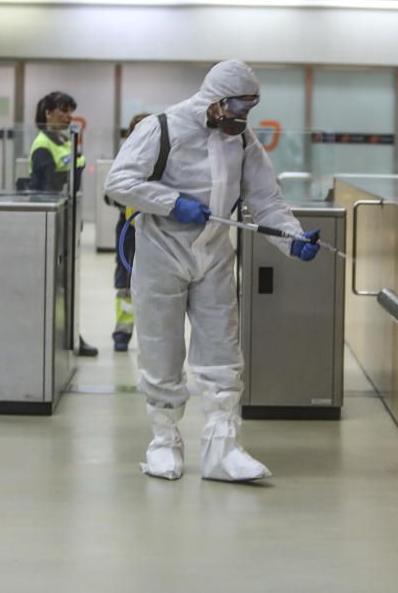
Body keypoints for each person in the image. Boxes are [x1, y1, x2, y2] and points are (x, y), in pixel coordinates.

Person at [104, 60, 320, 482]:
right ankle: (164, 443)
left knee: (223, 352)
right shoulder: (161, 127)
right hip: (161, 252)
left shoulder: (242, 141)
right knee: (161, 349)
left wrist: (290, 238)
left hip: (215, 254)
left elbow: (266, 199)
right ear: (215, 100)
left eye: (251, 107)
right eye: (239, 106)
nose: (244, 116)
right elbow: (119, 181)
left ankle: (223, 450)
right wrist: (171, 202)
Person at [29, 91, 98, 358]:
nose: (68, 116)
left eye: (70, 111)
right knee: (54, 282)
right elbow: (41, 190)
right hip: (54, 221)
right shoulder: (43, 145)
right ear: (47, 113)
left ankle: (69, 333)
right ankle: (56, 335)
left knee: (68, 281)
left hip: (70, 218)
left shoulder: (66, 140)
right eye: (62, 111)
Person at [110, 113, 150, 353]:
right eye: (135, 130)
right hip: (128, 229)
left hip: (156, 230)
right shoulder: (123, 159)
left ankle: (152, 336)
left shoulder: (165, 159)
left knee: (156, 283)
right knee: (126, 281)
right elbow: (111, 192)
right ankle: (122, 332)